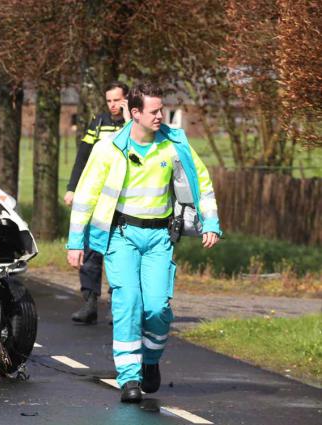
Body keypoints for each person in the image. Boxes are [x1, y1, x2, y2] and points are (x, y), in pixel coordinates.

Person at [65, 82, 220, 403]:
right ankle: (129, 378)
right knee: (128, 303)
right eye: (154, 111)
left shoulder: (175, 143)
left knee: (157, 308)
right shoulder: (109, 149)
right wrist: (75, 241)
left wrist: (211, 222)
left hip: (160, 238)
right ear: (134, 113)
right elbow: (85, 195)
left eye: (162, 110)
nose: (160, 116)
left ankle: (150, 362)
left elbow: (201, 182)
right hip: (121, 236)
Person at [65, 81, 130, 324]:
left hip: (122, 202)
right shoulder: (99, 123)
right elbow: (83, 158)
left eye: (117, 100)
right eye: (109, 101)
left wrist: (127, 118)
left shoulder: (134, 126)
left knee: (118, 254)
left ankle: (116, 305)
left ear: (126, 100)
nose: (112, 105)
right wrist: (72, 188)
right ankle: (90, 302)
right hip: (98, 200)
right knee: (91, 252)